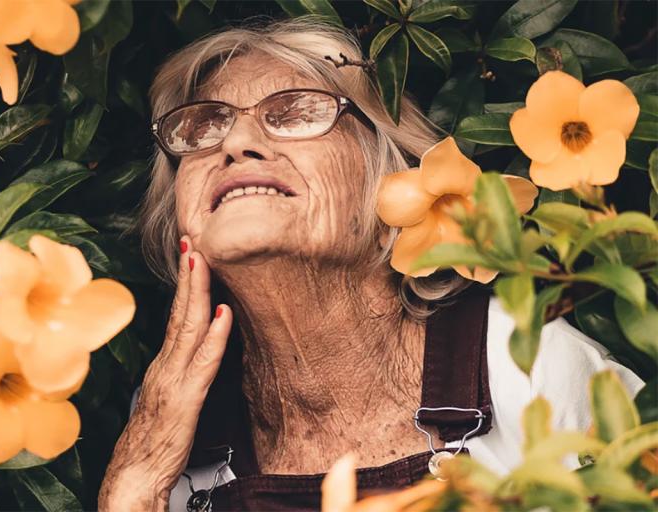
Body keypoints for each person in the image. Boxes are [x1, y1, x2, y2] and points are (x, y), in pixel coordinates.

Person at [98, 18, 643, 512]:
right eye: (202, 126)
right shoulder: (172, 420)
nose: (237, 143)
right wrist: (136, 484)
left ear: (393, 177)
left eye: (295, 111)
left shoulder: (528, 366)